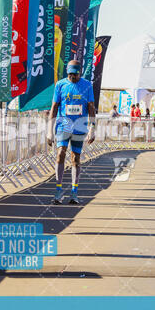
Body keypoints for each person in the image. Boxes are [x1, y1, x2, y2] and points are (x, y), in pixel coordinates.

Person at [47, 60, 95, 205]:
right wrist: (49, 130)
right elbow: (54, 107)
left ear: (79, 72)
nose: (73, 77)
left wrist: (92, 129)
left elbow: (91, 107)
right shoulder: (60, 85)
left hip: (80, 126)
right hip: (63, 125)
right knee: (61, 152)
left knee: (76, 158)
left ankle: (74, 192)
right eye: (70, 75)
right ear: (67, 73)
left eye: (75, 74)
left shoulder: (87, 85)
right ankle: (58, 189)